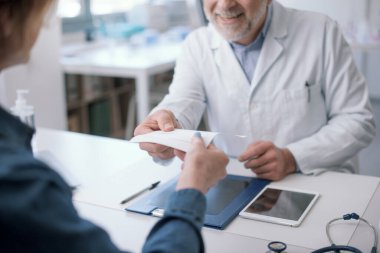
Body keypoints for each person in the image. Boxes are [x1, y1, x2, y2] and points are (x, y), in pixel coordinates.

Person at [0, 1, 229, 252]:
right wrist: (192, 189)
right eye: (45, 12)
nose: (45, 24)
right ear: (7, 17)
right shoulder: (18, 181)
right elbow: (186, 97)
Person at [134, 0, 376, 181]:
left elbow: (358, 120)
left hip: (316, 178)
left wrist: (293, 157)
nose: (226, 4)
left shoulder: (321, 30)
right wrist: (166, 125)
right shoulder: (197, 44)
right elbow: (184, 99)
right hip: (236, 181)